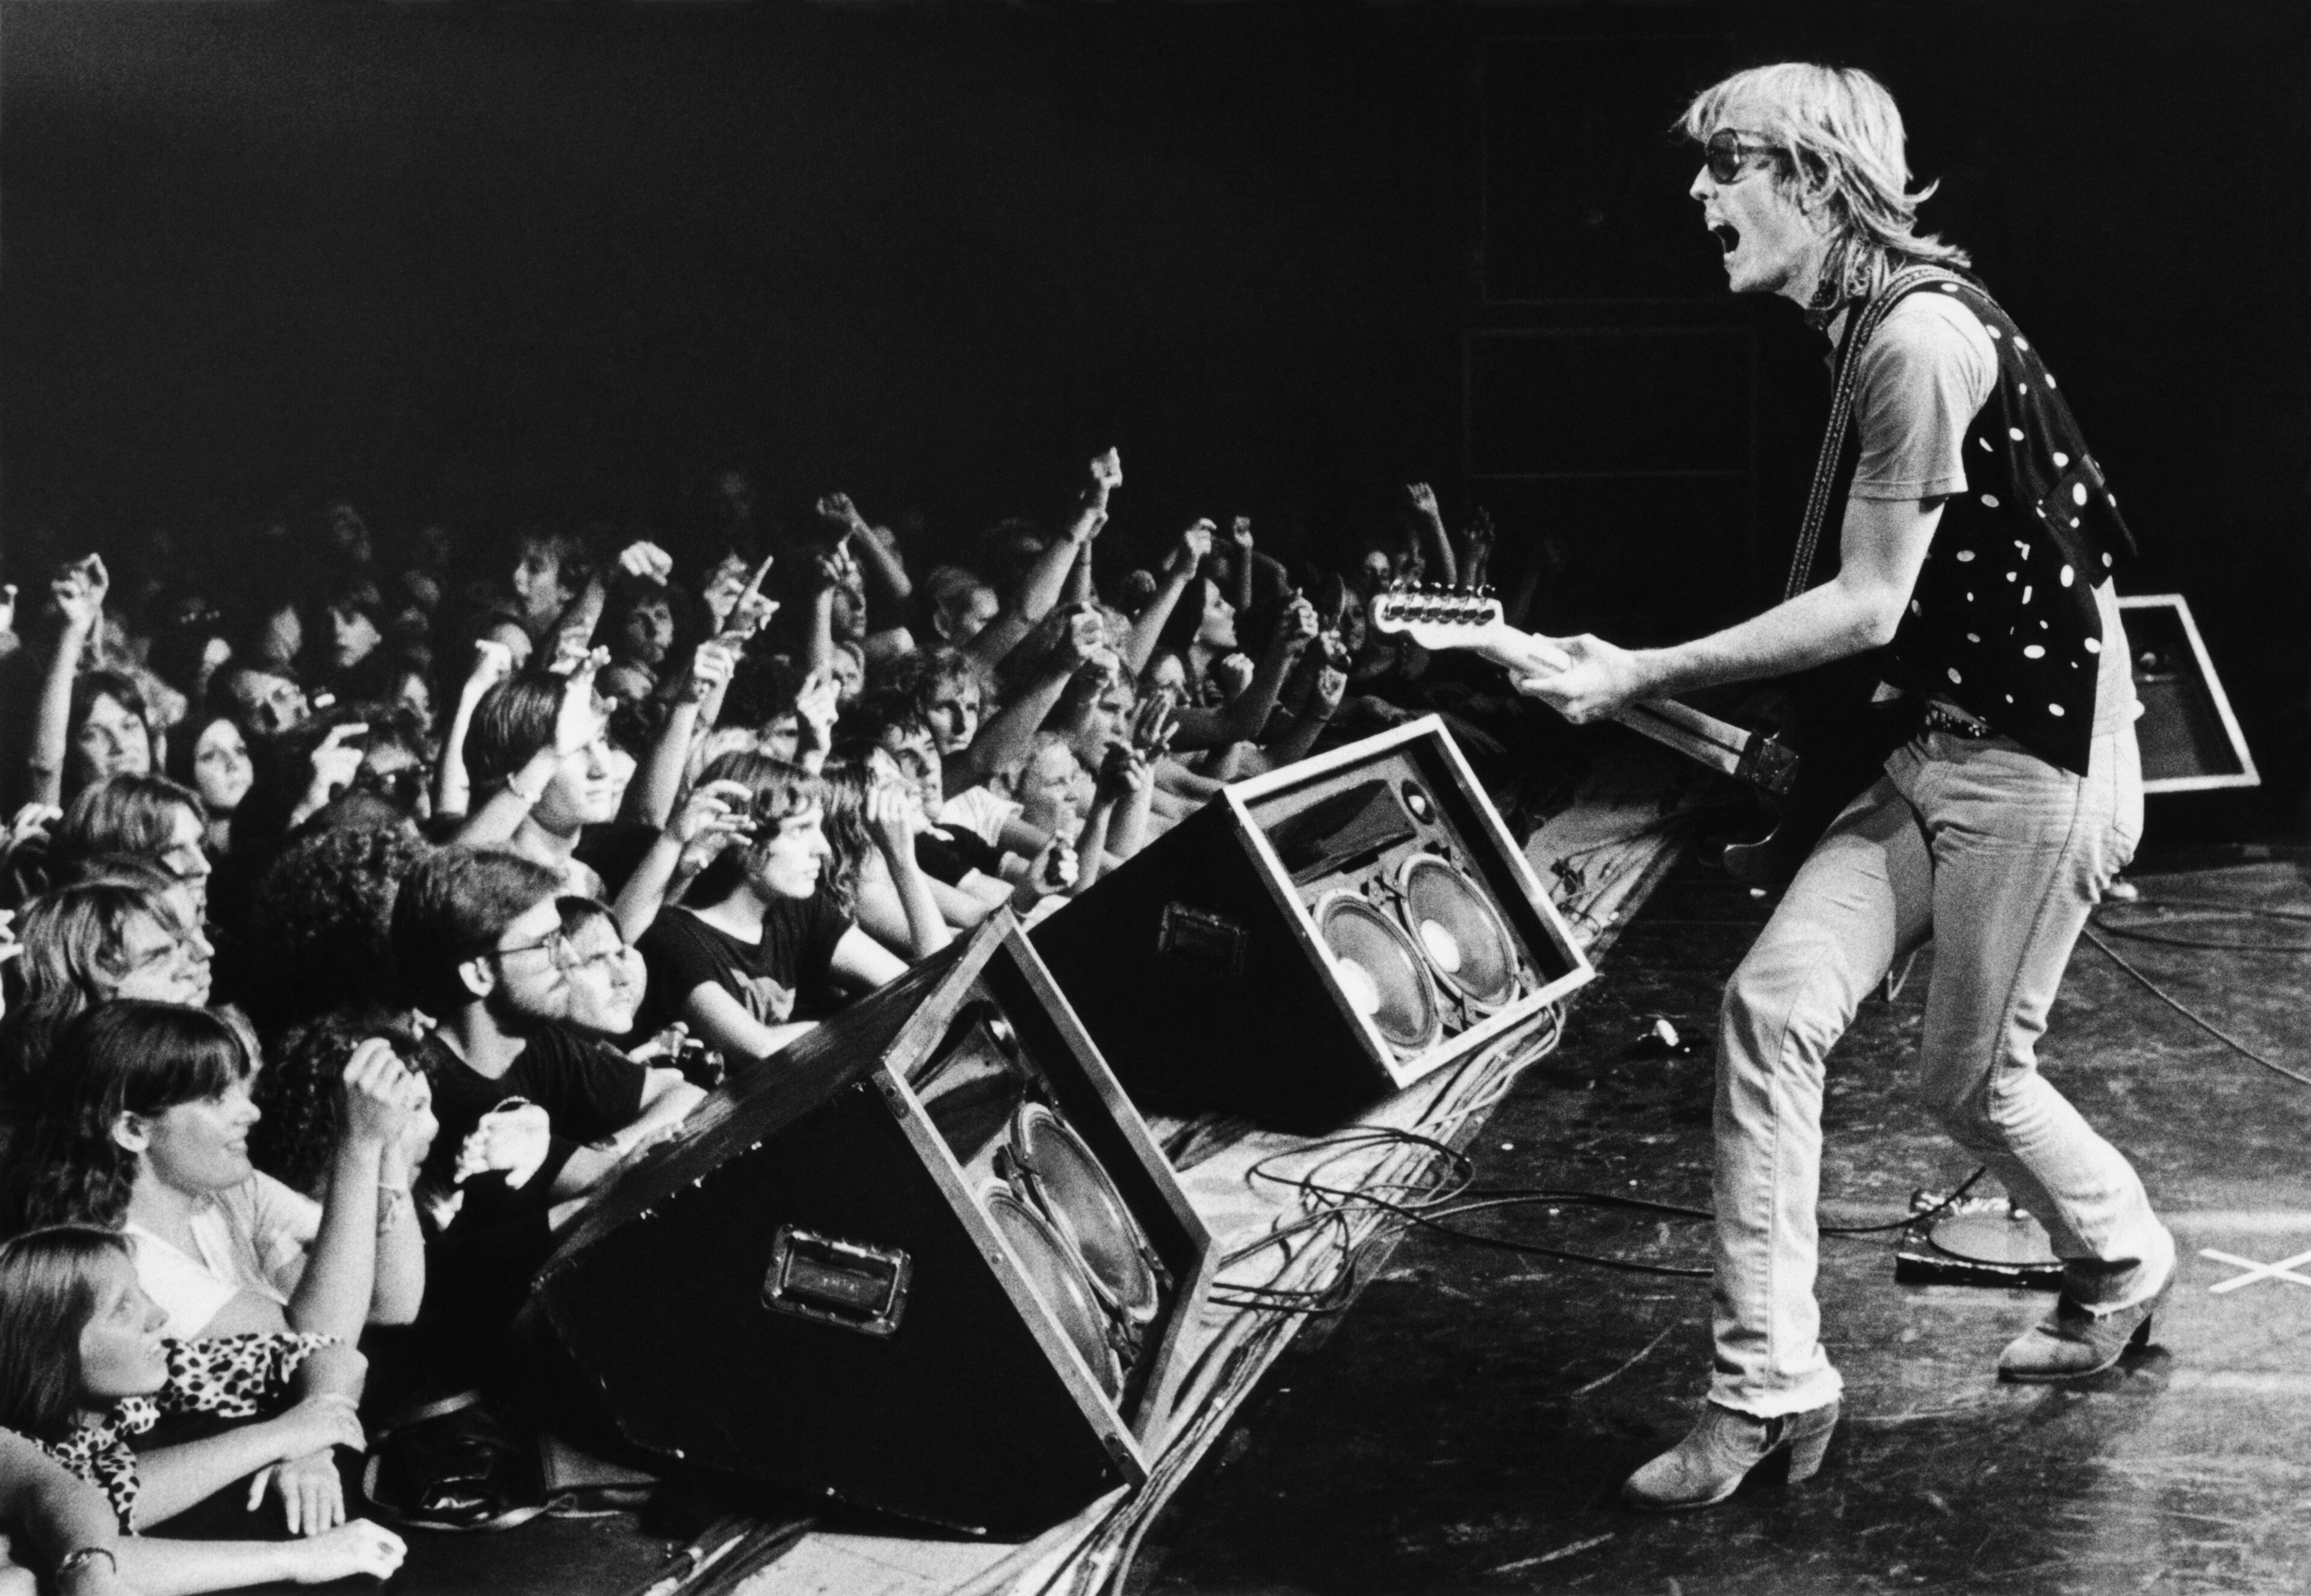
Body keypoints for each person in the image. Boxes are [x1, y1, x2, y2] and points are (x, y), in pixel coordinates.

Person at [1512, 64, 2168, 1510]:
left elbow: (1868, 601)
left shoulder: (1916, 339)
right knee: (1768, 1006)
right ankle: (1764, 1391)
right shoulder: (1865, 328)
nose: (1698, 195)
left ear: (1815, 177)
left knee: (1969, 1081)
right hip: (1930, 748)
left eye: (1727, 164)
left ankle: (2119, 1257)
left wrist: (1633, 673)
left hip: (2035, 768)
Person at [0, 1226, 406, 1588]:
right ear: (51, 1351)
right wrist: (281, 1436)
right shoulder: (17, 1447)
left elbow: (328, 1353)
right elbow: (94, 1518)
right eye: (123, 1308)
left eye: (142, 1293)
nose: (159, 1315)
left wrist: (313, 1450)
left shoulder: (157, 1374)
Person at [630, 754, 906, 1063]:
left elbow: (909, 985)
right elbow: (760, 1048)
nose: (824, 849)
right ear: (740, 840)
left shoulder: (799, 909)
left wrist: (904, 862)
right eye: (801, 830)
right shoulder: (672, 937)